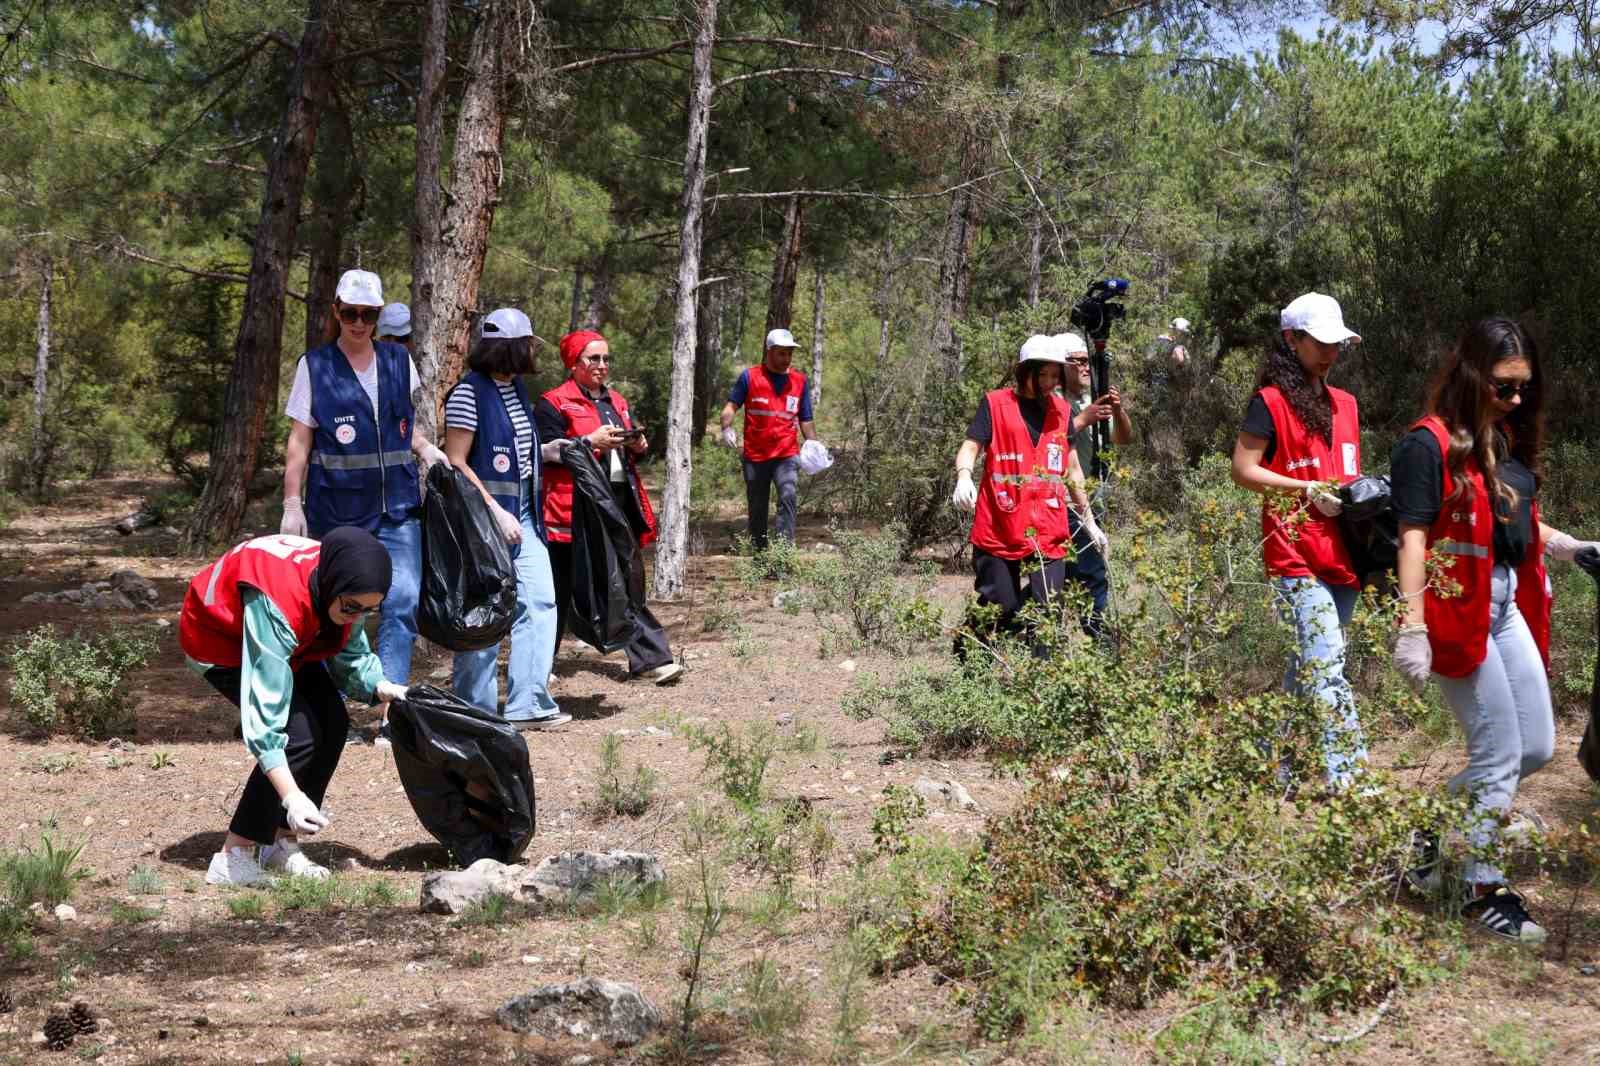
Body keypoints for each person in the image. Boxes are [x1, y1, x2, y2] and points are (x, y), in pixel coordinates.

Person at [1391, 316, 1598, 944]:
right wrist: (1412, 625)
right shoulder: (1426, 444)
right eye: (1503, 386)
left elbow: (1515, 521)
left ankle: (1427, 829)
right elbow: (1413, 537)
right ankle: (1481, 888)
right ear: (1471, 374)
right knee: (1499, 752)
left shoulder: (1500, 438)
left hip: (1505, 606)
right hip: (1458, 611)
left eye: (1522, 389)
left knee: (1535, 747)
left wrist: (1568, 546)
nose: (1514, 399)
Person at [180, 528, 409, 886]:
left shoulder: (346, 582)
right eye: (351, 608)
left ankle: (280, 843)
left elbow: (351, 653)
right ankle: (232, 857)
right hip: (220, 640)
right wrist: (291, 796)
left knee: (332, 723)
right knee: (297, 732)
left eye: (369, 609)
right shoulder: (278, 602)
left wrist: (378, 685)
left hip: (292, 638)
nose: (356, 616)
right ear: (331, 586)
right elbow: (265, 719)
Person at [281, 269, 446, 745]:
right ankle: (331, 715)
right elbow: (299, 441)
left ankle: (392, 712)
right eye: (350, 313)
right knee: (336, 612)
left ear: (377, 316)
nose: (359, 323)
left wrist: (425, 449)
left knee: (402, 601)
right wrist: (292, 503)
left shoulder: (399, 361)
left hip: (398, 508)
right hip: (338, 512)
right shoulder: (314, 366)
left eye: (368, 315)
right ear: (336, 311)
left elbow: (400, 427)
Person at [1230, 292, 1366, 790]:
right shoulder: (1269, 403)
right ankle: (1351, 783)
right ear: (1293, 340)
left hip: (1344, 555)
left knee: (1307, 663)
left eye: (1336, 343)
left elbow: (1348, 473)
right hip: (1295, 555)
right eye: (1321, 342)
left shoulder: (1346, 404)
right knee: (1326, 664)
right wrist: (1304, 489)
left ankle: (1273, 764)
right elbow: (1243, 470)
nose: (1331, 352)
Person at [442, 308, 570, 729]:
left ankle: (529, 704)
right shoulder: (468, 394)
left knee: (540, 602)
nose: (534, 350)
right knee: (483, 614)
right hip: (484, 524)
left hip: (526, 518)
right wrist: (494, 511)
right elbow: (456, 462)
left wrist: (552, 451)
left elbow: (518, 453)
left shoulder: (515, 389)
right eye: (530, 343)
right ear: (513, 347)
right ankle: (474, 711)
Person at [536, 329, 683, 685]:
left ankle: (650, 660)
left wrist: (636, 444)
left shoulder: (616, 400)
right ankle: (537, 667)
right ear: (574, 363)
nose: (602, 365)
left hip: (616, 504)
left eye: (606, 358)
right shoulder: (553, 402)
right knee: (557, 588)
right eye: (594, 358)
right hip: (570, 508)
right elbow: (542, 452)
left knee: (625, 582)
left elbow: (625, 450)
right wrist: (589, 441)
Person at [951, 334, 1103, 650]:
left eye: (1054, 375)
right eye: (1042, 374)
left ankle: (1041, 676)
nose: (1049, 382)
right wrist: (964, 477)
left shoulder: (1062, 412)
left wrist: (1089, 521)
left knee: (1048, 610)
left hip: (1048, 528)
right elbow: (970, 447)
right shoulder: (995, 404)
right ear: (1024, 372)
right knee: (1001, 606)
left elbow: (1072, 469)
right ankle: (970, 659)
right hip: (1000, 525)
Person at [1059, 331, 1133, 643]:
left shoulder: (1093, 399)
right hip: (1064, 504)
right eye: (1078, 362)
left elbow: (1123, 438)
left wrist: (1117, 410)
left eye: (1087, 361)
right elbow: (1048, 440)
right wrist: (1082, 420)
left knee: (1065, 580)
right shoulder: (1054, 401)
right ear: (1062, 365)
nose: (1086, 367)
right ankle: (1102, 642)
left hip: (1091, 502)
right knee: (1092, 577)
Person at [718, 328, 821, 551]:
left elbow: (806, 419)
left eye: (789, 354)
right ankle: (761, 555)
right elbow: (730, 407)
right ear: (769, 352)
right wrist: (726, 427)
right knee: (757, 507)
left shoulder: (800, 381)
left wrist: (814, 445)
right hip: (756, 457)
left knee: (788, 496)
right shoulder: (750, 377)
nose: (787, 359)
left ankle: (783, 554)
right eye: (782, 353)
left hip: (786, 454)